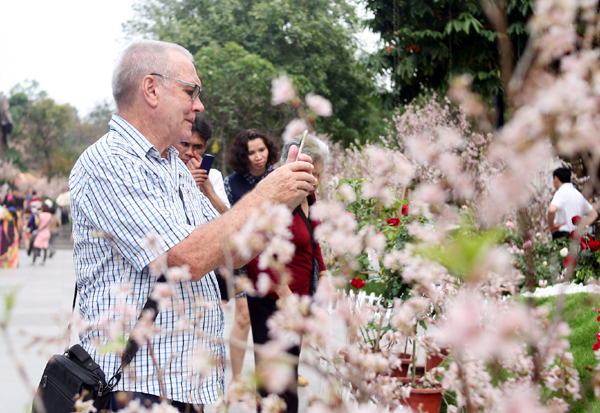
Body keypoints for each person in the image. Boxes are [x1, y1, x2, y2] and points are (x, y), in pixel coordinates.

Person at [68, 39, 315, 412]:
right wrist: (265, 195)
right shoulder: (110, 162)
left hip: (186, 388)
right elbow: (186, 259)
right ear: (151, 89)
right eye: (191, 91)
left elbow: (230, 254)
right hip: (137, 389)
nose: (198, 105)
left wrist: (281, 201)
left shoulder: (172, 166)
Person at [246, 134, 329, 413]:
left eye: (318, 174)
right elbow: (258, 253)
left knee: (289, 375)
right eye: (311, 172)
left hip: (299, 299)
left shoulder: (309, 195)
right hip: (273, 301)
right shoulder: (277, 197)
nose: (315, 179)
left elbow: (313, 239)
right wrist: (284, 295)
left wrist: (324, 274)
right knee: (274, 382)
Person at [223, 129, 280, 387]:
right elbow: (227, 218)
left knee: (276, 316)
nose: (258, 156)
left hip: (276, 256)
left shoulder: (278, 177)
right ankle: (236, 377)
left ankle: (277, 374)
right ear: (241, 156)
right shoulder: (231, 183)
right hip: (242, 258)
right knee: (244, 315)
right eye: (251, 152)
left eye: (261, 150)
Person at [174, 115, 229, 214]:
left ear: (205, 147)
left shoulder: (213, 176)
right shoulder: (162, 172)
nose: (190, 152)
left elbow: (226, 216)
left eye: (197, 147)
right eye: (185, 144)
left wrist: (206, 185)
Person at [547, 167, 598, 239]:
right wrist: (579, 229)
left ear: (556, 179)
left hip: (561, 235)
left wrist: (551, 225)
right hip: (575, 236)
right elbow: (593, 214)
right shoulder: (577, 194)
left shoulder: (561, 192)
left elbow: (551, 210)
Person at [0, 201, 20, 268]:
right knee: (14, 247)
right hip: (14, 232)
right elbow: (18, 225)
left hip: (8, 232)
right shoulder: (17, 212)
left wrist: (6, 235)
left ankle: (5, 263)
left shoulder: (6, 213)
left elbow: (5, 225)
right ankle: (13, 263)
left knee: (6, 248)